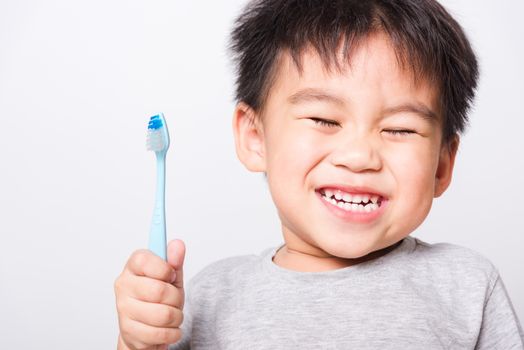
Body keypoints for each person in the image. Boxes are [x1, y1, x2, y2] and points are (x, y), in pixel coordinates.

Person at [114, 0, 524, 349]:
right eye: (325, 119)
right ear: (256, 137)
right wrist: (138, 342)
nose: (360, 156)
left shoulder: (467, 287)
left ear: (441, 165)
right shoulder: (211, 297)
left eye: (399, 129)